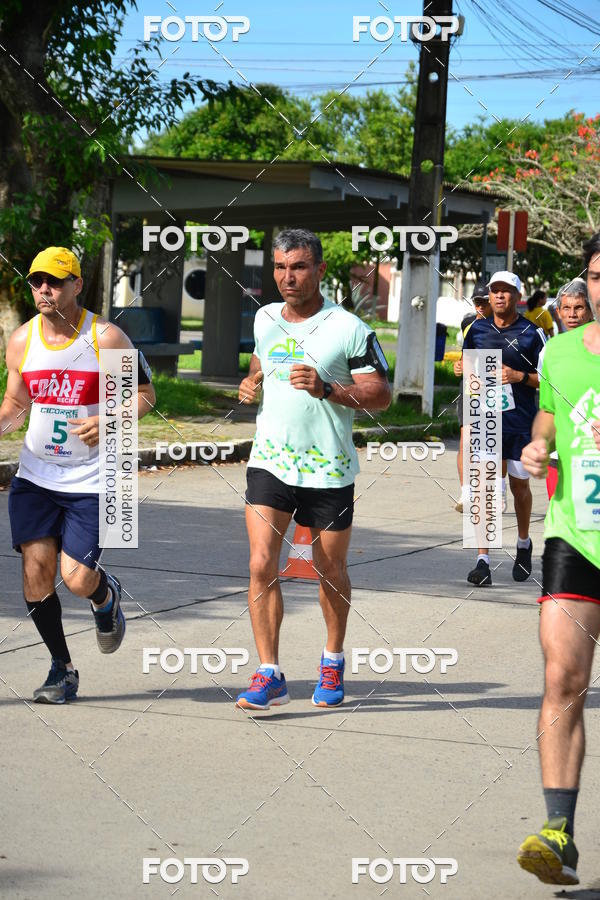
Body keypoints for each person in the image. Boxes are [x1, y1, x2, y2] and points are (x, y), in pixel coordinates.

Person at [236, 229, 391, 710]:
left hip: (328, 468)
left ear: (320, 270)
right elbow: (259, 363)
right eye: (281, 267)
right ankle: (270, 673)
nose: (288, 277)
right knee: (260, 563)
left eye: (299, 267)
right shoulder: (264, 317)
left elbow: (381, 395)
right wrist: (250, 381)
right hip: (270, 461)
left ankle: (332, 659)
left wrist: (327, 388)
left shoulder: (348, 328)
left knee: (329, 569)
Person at [0, 247, 155, 703]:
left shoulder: (105, 337)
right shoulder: (22, 340)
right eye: (37, 281)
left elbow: (145, 395)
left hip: (93, 479)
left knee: (77, 579)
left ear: (76, 285)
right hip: (35, 477)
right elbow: (17, 404)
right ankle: (62, 670)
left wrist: (109, 420)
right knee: (35, 574)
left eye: (55, 281)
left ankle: (105, 597)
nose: (44, 289)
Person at [517, 233, 600, 886]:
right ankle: (557, 832)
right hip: (576, 532)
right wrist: (539, 445)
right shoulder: (563, 352)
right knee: (562, 678)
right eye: (597, 276)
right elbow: (548, 414)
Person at [461, 271, 545, 586]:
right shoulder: (477, 329)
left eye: (506, 291)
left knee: (519, 488)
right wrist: (469, 376)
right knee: (486, 490)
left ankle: (523, 543)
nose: (499, 295)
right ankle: (482, 561)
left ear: (517, 296)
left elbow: (548, 380)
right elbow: (469, 368)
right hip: (487, 421)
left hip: (521, 423)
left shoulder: (532, 333)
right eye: (494, 290)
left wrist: (518, 376)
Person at [537, 278, 593, 499]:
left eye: (579, 307)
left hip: (592, 452)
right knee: (559, 510)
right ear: (558, 312)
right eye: (567, 308)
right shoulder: (549, 351)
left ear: (591, 311)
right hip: (558, 453)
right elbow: (547, 406)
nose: (572, 315)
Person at [453, 283, 500, 513]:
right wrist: (459, 366)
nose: (480, 306)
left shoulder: (504, 326)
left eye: (484, 302)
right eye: (477, 302)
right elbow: (466, 356)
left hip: (496, 392)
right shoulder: (468, 324)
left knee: (494, 443)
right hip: (470, 390)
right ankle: (466, 494)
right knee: (467, 440)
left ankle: (497, 489)